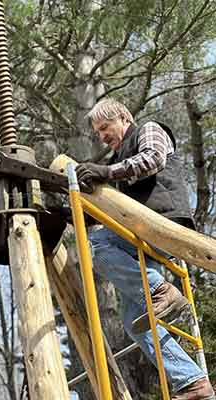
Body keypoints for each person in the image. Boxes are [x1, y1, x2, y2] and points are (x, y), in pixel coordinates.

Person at [75, 98, 215, 400]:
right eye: (98, 132)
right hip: (140, 235)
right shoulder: (119, 160)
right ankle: (194, 383)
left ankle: (162, 291)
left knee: (98, 246)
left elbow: (153, 160)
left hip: (161, 223)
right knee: (134, 322)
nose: (102, 136)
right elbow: (116, 208)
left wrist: (106, 172)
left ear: (123, 117)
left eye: (105, 127)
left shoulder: (148, 131)